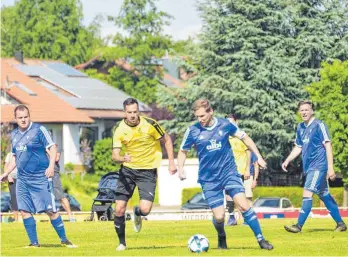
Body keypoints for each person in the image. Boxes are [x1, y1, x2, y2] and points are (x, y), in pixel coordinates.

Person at [177, 99, 273, 250]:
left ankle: (261, 239)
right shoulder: (193, 130)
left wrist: (259, 156)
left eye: (202, 116)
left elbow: (245, 138)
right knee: (220, 216)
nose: (200, 119)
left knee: (243, 204)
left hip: (229, 172)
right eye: (197, 116)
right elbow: (183, 151)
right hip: (208, 179)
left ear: (211, 111)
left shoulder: (225, 124)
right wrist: (180, 168)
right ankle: (221, 236)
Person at [0, 105, 77, 248]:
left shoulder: (39, 130)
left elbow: (52, 147)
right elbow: (15, 158)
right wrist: (6, 173)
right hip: (22, 180)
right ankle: (34, 243)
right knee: (24, 211)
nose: (23, 120)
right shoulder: (14, 135)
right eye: (20, 118)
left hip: (40, 178)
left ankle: (64, 240)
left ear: (29, 116)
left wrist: (51, 167)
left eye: (26, 117)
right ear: (15, 119)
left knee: (50, 211)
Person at [112, 98, 177, 251]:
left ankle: (137, 211)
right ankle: (122, 243)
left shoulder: (150, 124)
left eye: (135, 112)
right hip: (127, 170)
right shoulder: (120, 130)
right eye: (129, 113)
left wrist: (171, 162)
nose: (133, 115)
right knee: (119, 208)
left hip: (147, 171)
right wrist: (122, 158)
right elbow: (115, 156)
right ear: (125, 113)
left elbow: (167, 140)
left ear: (138, 111)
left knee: (146, 210)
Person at [282, 100, 347, 233]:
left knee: (307, 191)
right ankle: (341, 224)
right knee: (324, 194)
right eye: (302, 110)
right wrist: (287, 160)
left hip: (319, 166)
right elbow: (298, 147)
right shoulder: (300, 127)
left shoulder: (319, 125)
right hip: (309, 167)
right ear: (299, 112)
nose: (304, 112)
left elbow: (328, 145)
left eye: (307, 110)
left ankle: (298, 226)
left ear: (312, 111)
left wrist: (330, 167)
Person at [225, 114, 251, 226]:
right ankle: (232, 218)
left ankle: (246, 218)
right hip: (227, 171)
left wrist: (247, 169)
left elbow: (249, 152)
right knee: (228, 195)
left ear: (236, 122)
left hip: (239, 170)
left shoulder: (241, 136)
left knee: (239, 195)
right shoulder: (225, 137)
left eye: (231, 122)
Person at [50, 147, 76, 222]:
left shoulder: (55, 147)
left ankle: (70, 217)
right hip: (45, 174)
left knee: (61, 197)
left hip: (54, 174)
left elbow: (56, 159)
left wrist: (48, 151)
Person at [4, 152, 19, 221]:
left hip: (23, 178)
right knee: (14, 197)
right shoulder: (9, 154)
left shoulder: (24, 152)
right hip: (12, 178)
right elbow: (6, 166)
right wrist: (8, 176)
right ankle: (16, 219)